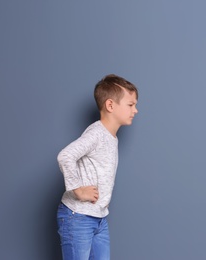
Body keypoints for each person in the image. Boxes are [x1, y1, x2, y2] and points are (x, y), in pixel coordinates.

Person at [56, 74, 139, 259]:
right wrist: (78, 190)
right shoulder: (97, 133)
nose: (136, 110)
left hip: (99, 218)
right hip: (78, 217)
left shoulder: (111, 137)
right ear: (110, 105)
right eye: (130, 104)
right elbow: (65, 156)